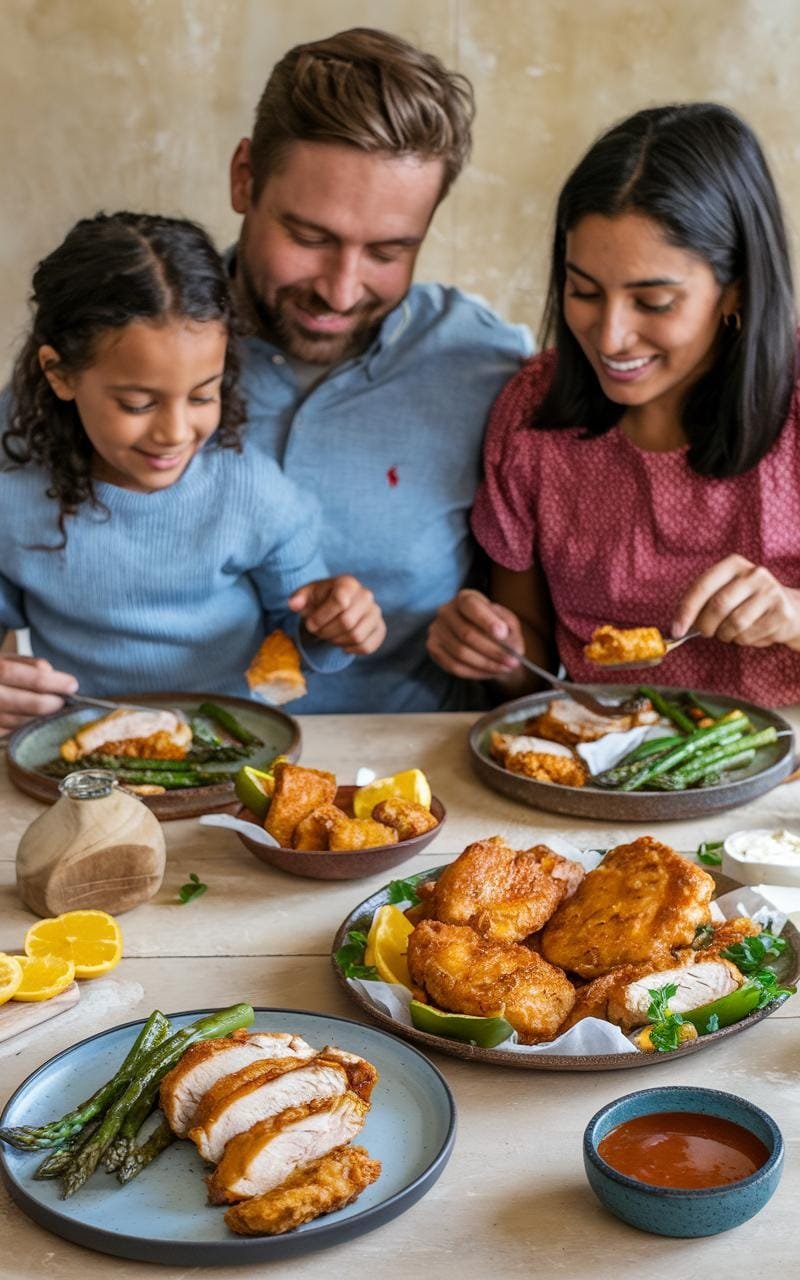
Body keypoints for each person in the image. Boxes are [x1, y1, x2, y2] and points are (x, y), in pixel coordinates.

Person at [427, 103, 800, 707]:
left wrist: (792, 615)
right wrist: (493, 647)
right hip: (604, 769)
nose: (608, 338)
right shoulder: (532, 416)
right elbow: (534, 663)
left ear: (736, 289)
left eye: (652, 302)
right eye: (584, 292)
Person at [228, 27, 532, 713]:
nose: (340, 291)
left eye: (389, 252)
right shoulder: (121, 343)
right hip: (153, 785)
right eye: (309, 238)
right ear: (244, 178)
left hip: (413, 797)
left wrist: (505, 651)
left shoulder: (492, 368)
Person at [0, 212, 385, 731]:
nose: (175, 433)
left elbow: (300, 634)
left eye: (203, 395)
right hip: (80, 751)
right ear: (59, 374)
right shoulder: (13, 500)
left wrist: (334, 623)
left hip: (230, 745)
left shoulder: (253, 493)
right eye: (138, 403)